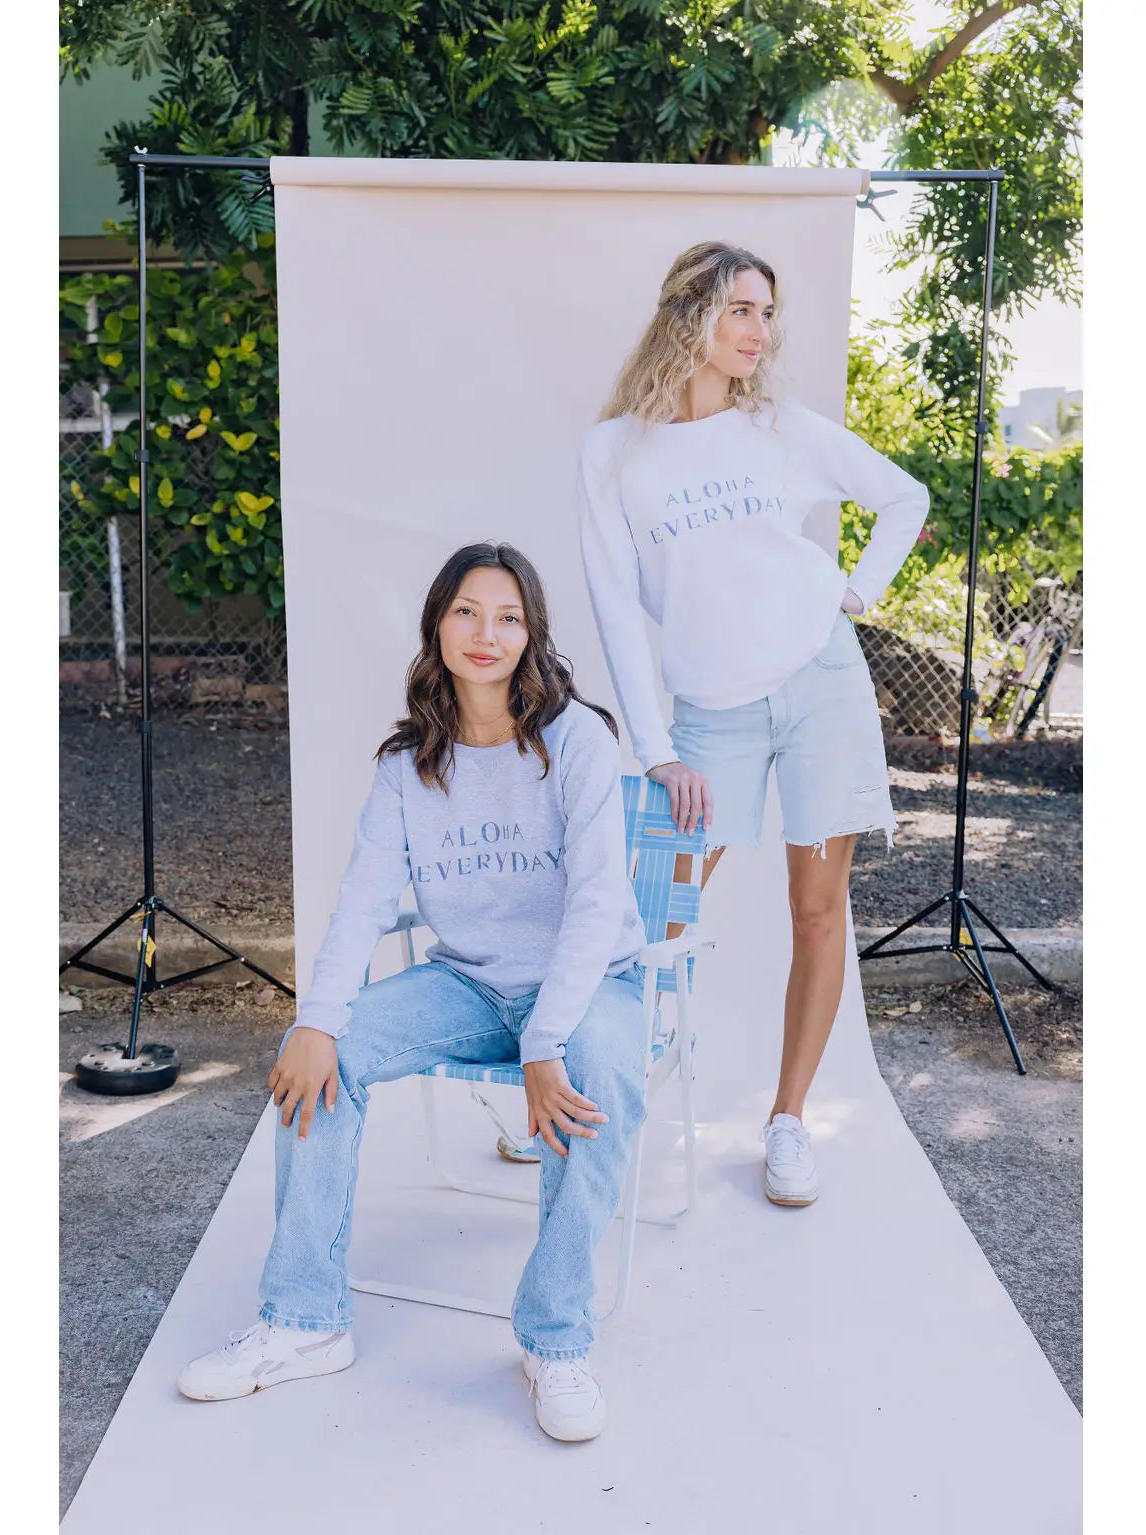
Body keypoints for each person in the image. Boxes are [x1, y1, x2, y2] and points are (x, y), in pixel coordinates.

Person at [177, 543, 647, 1443]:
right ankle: (305, 1320)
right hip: (468, 984)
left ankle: (555, 1340)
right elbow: (363, 898)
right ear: (438, 622)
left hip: (588, 989)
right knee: (321, 1057)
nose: (485, 633)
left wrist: (546, 1039)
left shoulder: (575, 740)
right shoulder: (408, 764)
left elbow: (596, 903)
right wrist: (317, 1021)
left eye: (508, 616)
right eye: (467, 611)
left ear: (532, 635)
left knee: (597, 1076)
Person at [577, 240, 928, 1208]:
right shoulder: (612, 453)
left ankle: (787, 1120)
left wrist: (855, 592)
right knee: (648, 915)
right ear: (688, 313)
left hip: (821, 686)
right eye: (740, 309)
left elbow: (903, 496)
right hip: (711, 714)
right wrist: (655, 751)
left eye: (766, 313)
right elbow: (614, 609)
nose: (758, 331)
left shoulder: (779, 428)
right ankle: (579, 1090)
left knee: (815, 910)